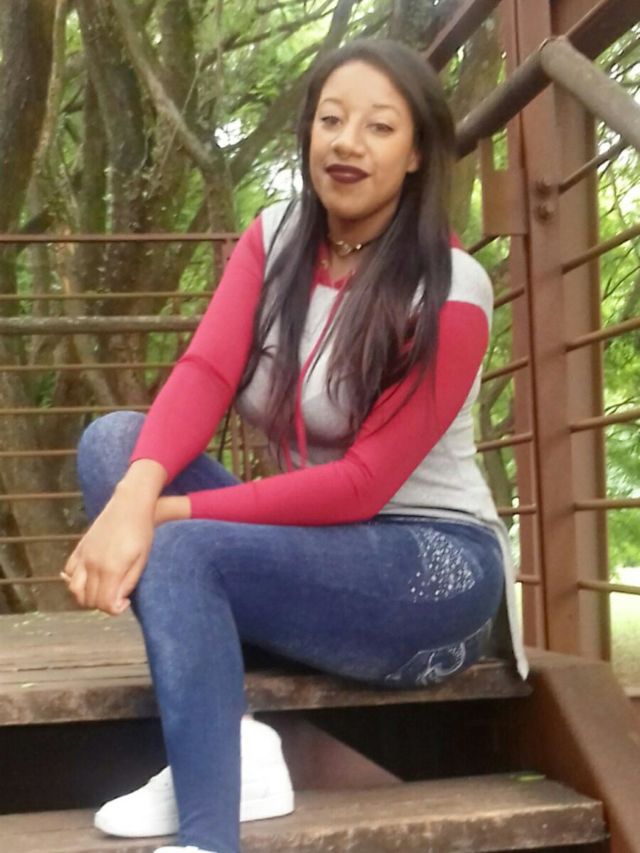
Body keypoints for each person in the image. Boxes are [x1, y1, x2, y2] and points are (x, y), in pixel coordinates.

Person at [61, 37, 528, 853]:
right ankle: (237, 749)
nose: (348, 143)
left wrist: (164, 513)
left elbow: (361, 485)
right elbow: (206, 370)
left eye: (379, 127)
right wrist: (136, 494)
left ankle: (208, 839)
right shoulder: (275, 236)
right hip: (311, 551)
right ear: (308, 131)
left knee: (180, 542)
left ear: (417, 152)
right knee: (116, 445)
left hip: (430, 570)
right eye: (331, 119)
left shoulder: (452, 288)